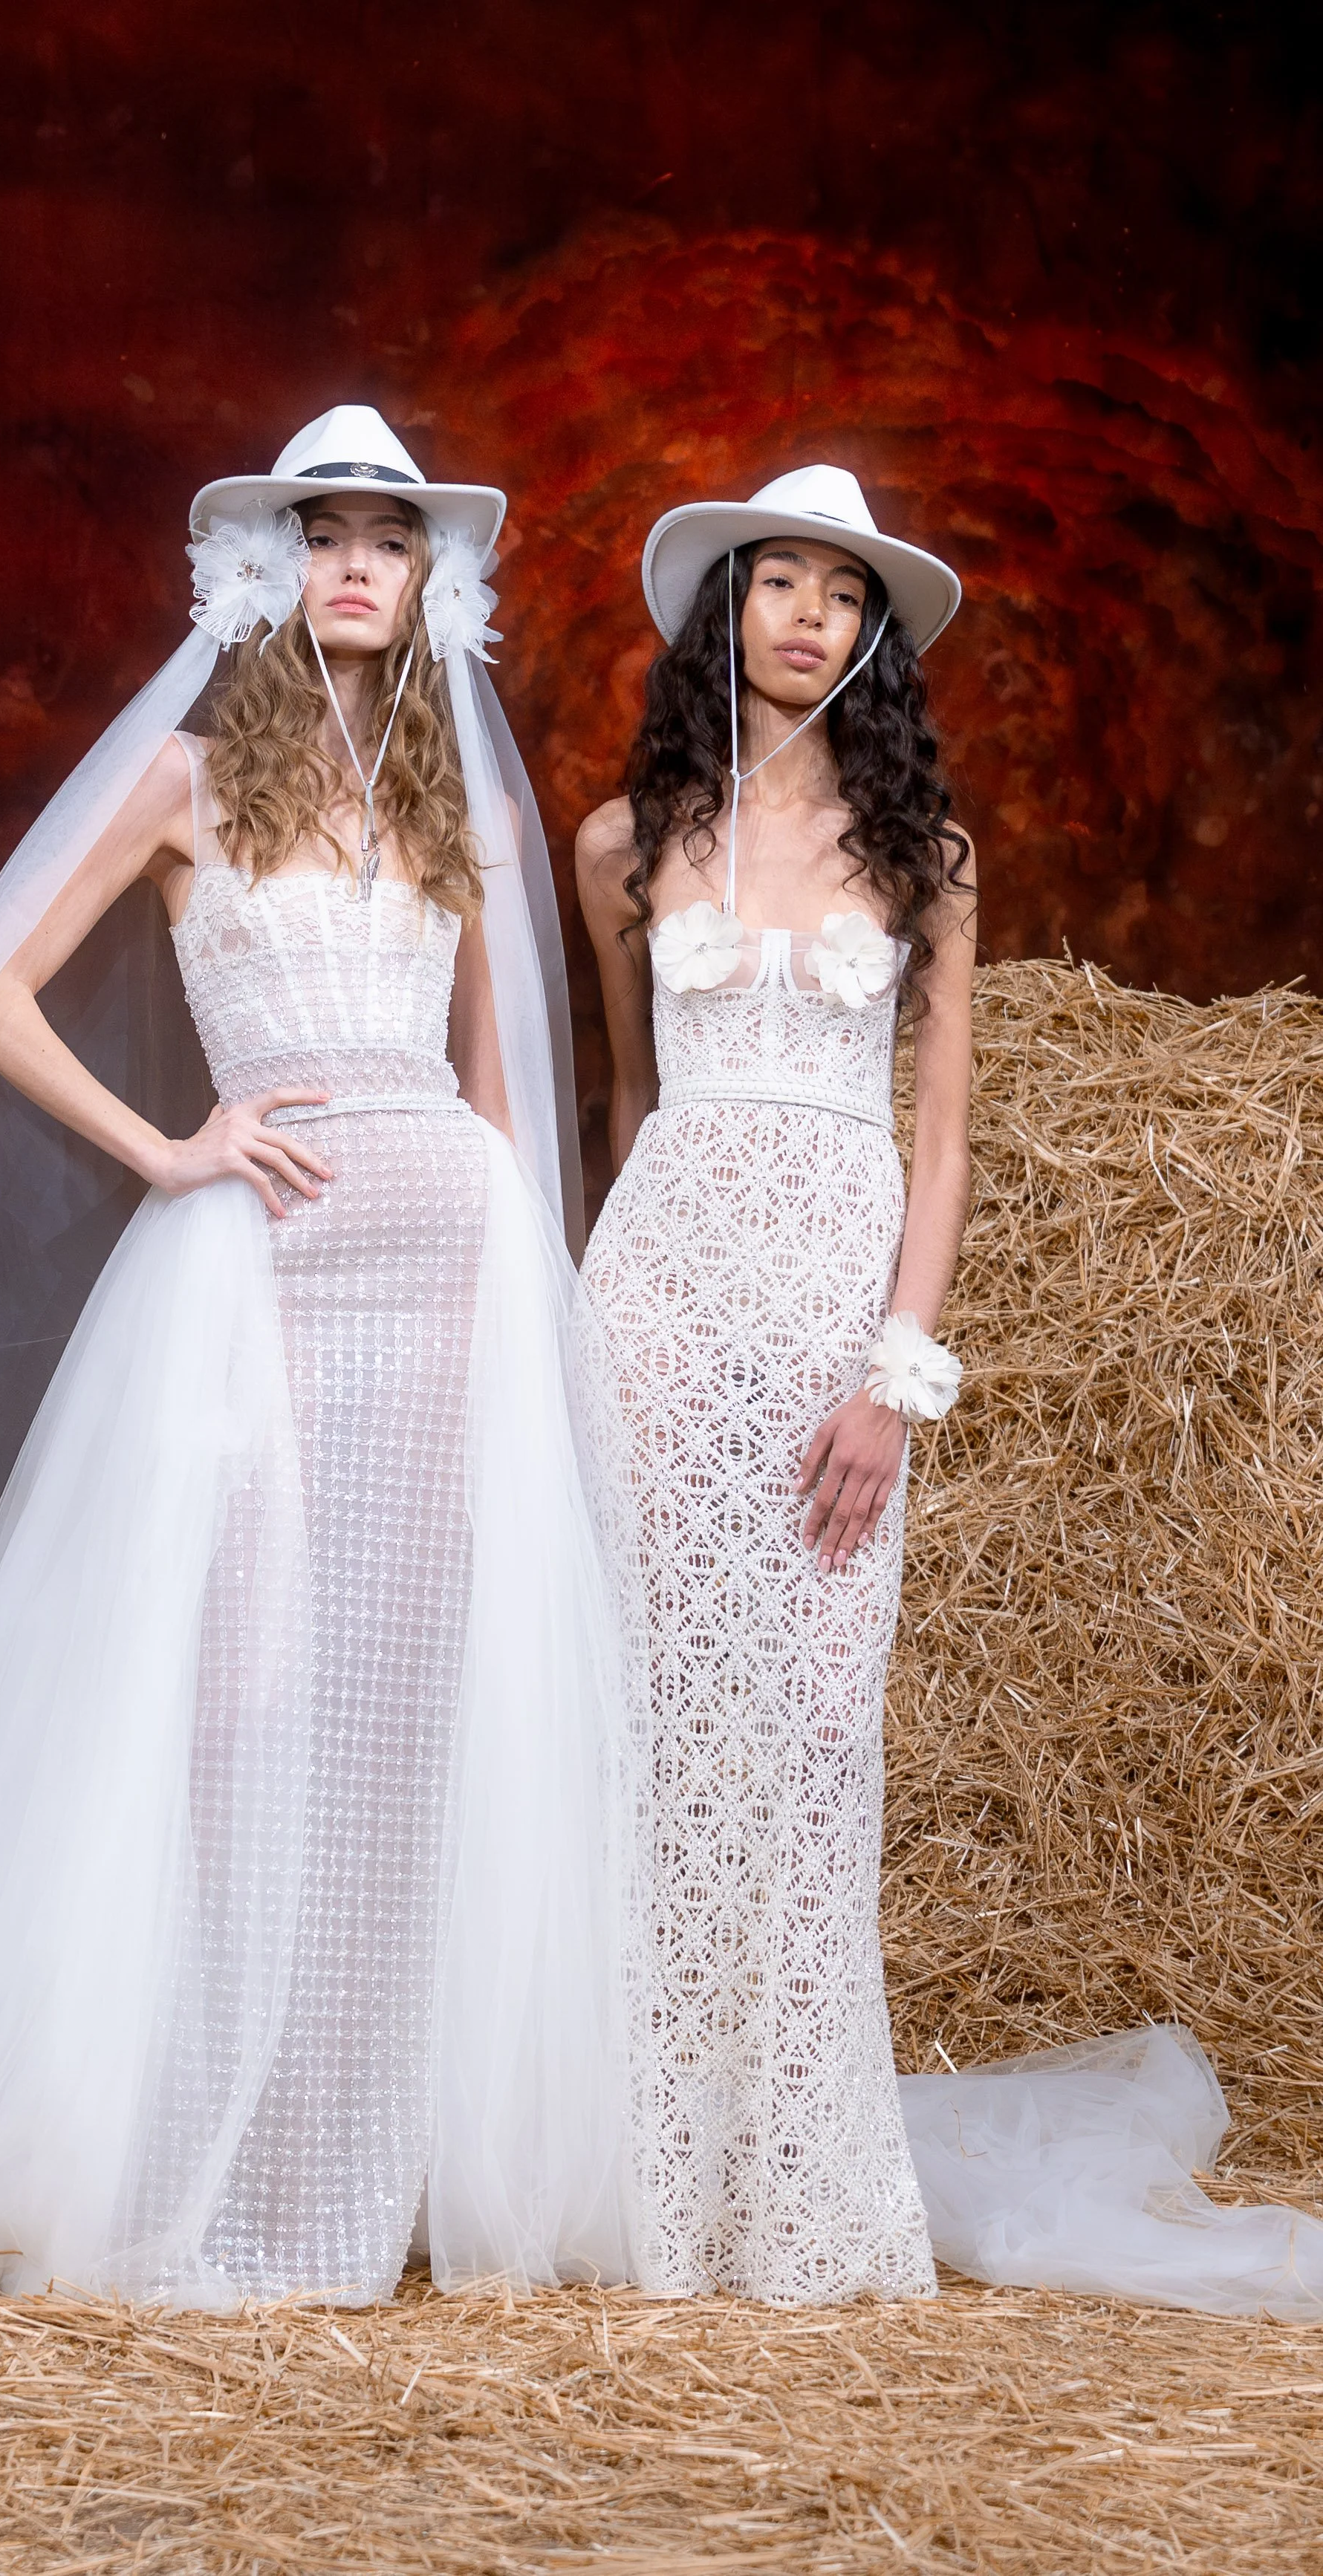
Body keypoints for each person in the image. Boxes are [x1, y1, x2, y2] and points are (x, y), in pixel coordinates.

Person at [0, 406, 633, 2310]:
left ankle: (371, 2171)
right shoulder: (194, 782)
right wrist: (169, 1152)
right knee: (235, 1703)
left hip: (443, 1263)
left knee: (409, 1714)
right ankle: (189, 2144)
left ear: (432, 579)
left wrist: (523, 1307)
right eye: (325, 533)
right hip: (259, 1269)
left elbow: (500, 1091)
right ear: (265, 570)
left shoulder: (453, 810)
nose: (357, 564)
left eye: (390, 536)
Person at [575, 465, 974, 2302]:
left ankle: (799, 2195)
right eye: (775, 582)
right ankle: (640, 2180)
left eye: (839, 589)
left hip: (831, 1327)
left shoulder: (928, 858)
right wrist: (598, 1327)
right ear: (724, 617)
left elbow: (942, 1141)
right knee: (645, 1742)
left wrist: (892, 1377)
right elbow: (626, 1105)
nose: (805, 612)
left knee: (808, 1750)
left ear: (872, 633)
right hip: (653, 1311)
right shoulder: (625, 841)